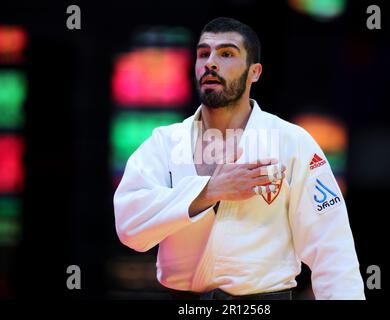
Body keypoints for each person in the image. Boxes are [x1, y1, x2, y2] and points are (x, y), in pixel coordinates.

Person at [113, 17, 365, 300]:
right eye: (203, 53)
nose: (210, 62)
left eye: (227, 54)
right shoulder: (165, 142)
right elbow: (129, 225)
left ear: (254, 72)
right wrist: (209, 191)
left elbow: (332, 249)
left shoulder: (292, 142)